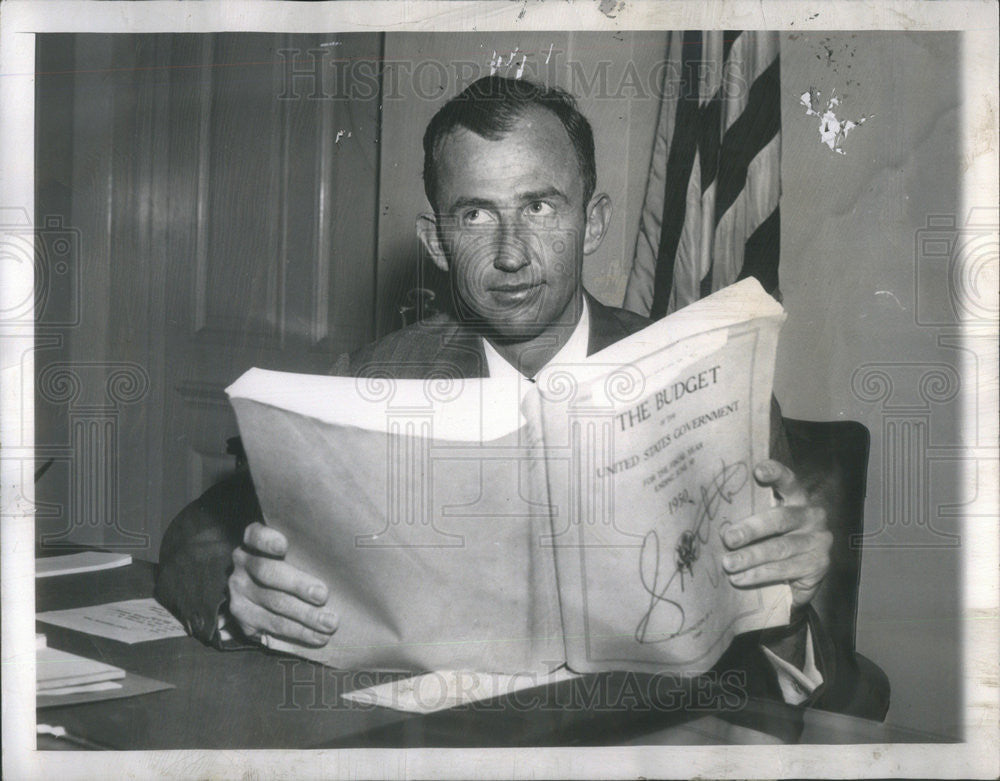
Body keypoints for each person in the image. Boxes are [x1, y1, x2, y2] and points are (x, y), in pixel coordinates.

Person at [155, 75, 887, 719]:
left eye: (540, 207)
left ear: (592, 222)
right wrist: (240, 593)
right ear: (437, 242)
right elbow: (197, 534)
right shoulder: (375, 380)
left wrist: (786, 603)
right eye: (475, 214)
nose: (509, 252)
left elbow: (825, 689)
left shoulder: (712, 384)